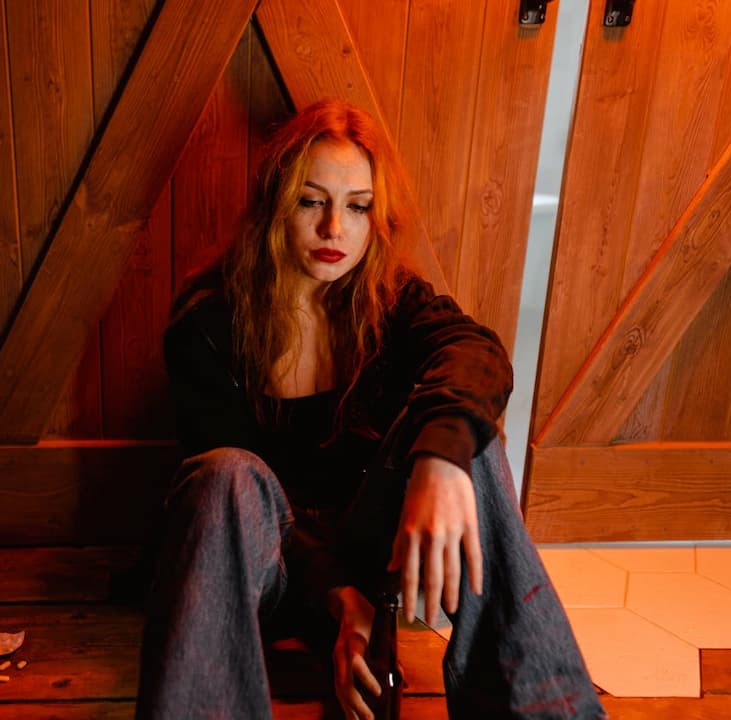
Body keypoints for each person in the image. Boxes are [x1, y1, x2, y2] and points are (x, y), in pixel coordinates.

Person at [135, 99, 606, 720]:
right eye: (312, 201)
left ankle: (545, 715)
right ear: (276, 205)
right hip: (268, 568)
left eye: (357, 206)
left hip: (379, 554)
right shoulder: (208, 325)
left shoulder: (391, 301)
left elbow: (477, 352)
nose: (336, 228)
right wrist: (341, 604)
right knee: (225, 473)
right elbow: (226, 503)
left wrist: (439, 457)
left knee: (469, 439)